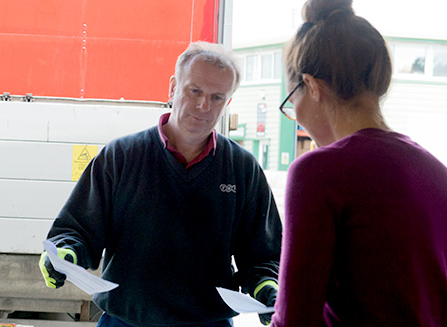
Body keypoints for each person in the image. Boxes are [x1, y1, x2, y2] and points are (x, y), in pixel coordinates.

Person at [41, 42, 283, 326]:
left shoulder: (242, 169)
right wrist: (64, 253)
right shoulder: (121, 157)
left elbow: (265, 255)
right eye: (195, 91)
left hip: (208, 322)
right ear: (173, 87)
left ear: (228, 102)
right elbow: (77, 229)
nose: (204, 105)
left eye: (217, 97)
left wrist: (268, 287)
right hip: (127, 320)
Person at [270, 0, 447, 326]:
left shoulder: (318, 171)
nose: (296, 114)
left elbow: (294, 321)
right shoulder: (437, 172)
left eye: (292, 99)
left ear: (312, 86)